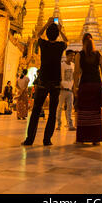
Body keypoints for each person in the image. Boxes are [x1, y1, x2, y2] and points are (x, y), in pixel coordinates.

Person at [22, 18, 68, 146]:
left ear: (47, 34)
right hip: (55, 83)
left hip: (43, 81)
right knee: (52, 112)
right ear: (57, 35)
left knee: (36, 110)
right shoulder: (60, 46)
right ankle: (47, 139)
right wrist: (60, 30)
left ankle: (29, 139)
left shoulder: (44, 44)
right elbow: (66, 41)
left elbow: (37, 35)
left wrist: (47, 24)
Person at [74, 33, 102, 145]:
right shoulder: (98, 55)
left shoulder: (79, 55)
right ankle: (96, 139)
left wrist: (75, 86)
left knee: (83, 112)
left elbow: (77, 72)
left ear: (82, 42)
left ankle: (82, 138)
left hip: (84, 85)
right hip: (96, 86)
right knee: (95, 113)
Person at [56, 49, 76, 130]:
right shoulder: (61, 65)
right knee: (60, 107)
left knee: (70, 107)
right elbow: (58, 76)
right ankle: (59, 124)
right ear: (67, 56)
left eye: (73, 56)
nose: (72, 57)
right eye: (71, 55)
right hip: (62, 89)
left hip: (70, 89)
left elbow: (74, 76)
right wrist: (60, 84)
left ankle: (70, 124)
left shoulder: (73, 65)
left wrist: (74, 87)